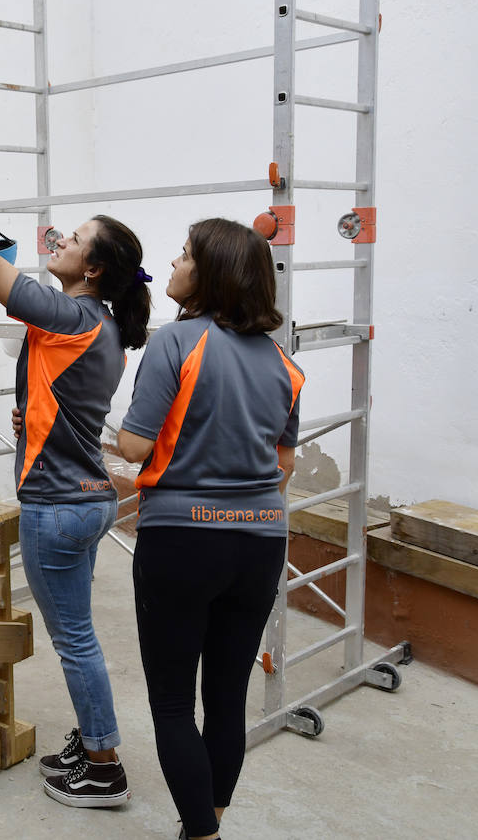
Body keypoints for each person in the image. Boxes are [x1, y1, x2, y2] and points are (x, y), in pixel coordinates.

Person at [0, 126, 152, 809]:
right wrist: (33, 415)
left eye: (74, 240)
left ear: (94, 269)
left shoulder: (72, 316)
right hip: (89, 496)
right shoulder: (97, 327)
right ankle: (91, 738)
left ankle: (104, 767)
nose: (62, 243)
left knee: (75, 640)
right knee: (82, 634)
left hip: (58, 507)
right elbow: (67, 402)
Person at [117, 218, 304, 840]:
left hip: (181, 543)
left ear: (212, 275)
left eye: (186, 255)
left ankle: (202, 833)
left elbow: (136, 446)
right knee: (227, 697)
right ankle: (211, 819)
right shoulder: (284, 363)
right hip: (261, 545)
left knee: (172, 703)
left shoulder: (175, 343)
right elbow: (283, 465)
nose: (173, 263)